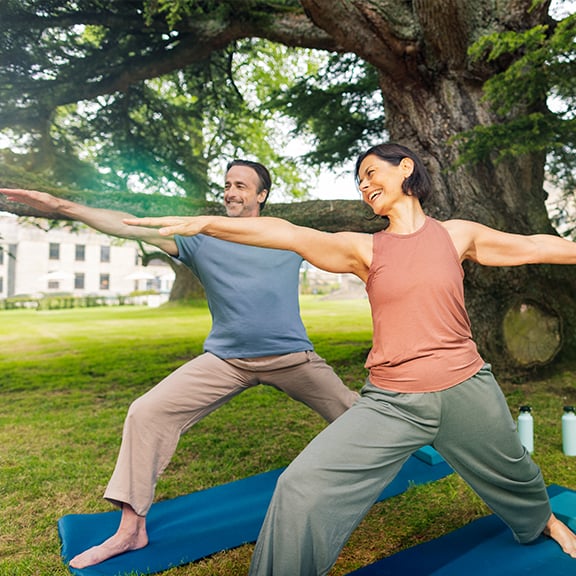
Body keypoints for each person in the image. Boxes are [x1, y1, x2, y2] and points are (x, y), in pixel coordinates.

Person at [123, 142, 576, 575]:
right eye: (359, 182)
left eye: (370, 173)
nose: (364, 186)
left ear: (405, 169)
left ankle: (544, 521)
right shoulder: (366, 248)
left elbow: (534, 246)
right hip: (393, 401)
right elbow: (288, 233)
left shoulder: (457, 235)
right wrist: (208, 225)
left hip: (466, 388)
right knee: (301, 487)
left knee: (514, 472)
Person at [0, 159, 359, 569]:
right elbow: (128, 224)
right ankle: (131, 530)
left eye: (241, 185)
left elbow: (353, 252)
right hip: (227, 360)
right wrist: (60, 205)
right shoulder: (200, 238)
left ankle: (401, 452)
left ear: (261, 195)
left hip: (292, 358)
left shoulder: (285, 236)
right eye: (227, 184)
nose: (230, 191)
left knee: (356, 412)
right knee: (146, 412)